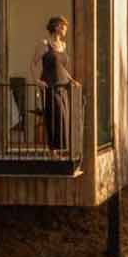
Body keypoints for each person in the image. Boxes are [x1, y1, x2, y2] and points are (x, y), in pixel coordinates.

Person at [38, 15, 76, 156]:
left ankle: (59, 149)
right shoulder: (45, 44)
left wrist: (71, 80)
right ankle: (52, 150)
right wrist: (37, 81)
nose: (66, 29)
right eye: (64, 26)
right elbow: (32, 63)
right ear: (56, 27)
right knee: (53, 115)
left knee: (63, 117)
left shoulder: (63, 45)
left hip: (62, 86)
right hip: (49, 85)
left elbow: (62, 68)